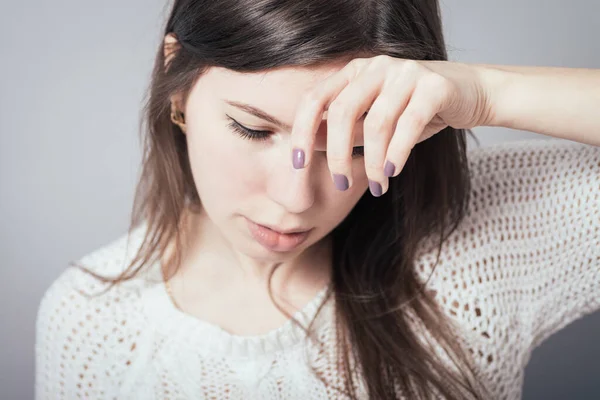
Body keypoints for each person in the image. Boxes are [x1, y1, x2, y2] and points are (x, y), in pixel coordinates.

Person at [34, 0, 600, 399]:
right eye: (254, 130)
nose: (295, 198)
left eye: (354, 145)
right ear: (176, 79)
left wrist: (487, 92)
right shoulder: (89, 322)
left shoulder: (480, 242)